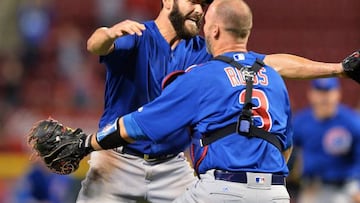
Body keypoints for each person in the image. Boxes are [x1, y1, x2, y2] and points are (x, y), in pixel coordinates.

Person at [80, 0, 358, 202]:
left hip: (172, 166)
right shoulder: (137, 36)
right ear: (167, 1)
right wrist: (108, 32)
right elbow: (96, 45)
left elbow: (270, 64)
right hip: (118, 161)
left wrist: (337, 68)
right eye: (192, 1)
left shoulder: (205, 52)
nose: (199, 10)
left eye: (203, 4)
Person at [292, 78, 360, 203]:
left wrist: (357, 187)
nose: (324, 97)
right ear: (311, 94)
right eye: (320, 91)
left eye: (328, 91)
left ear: (337, 93)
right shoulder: (301, 121)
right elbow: (287, 152)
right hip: (312, 188)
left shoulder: (352, 121)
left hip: (345, 189)